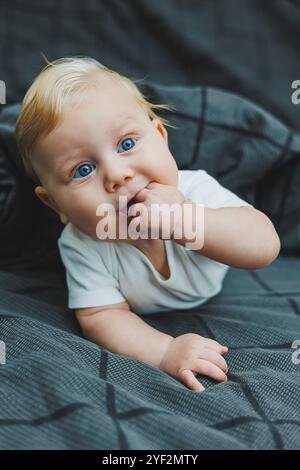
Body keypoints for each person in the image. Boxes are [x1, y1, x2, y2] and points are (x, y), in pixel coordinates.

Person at [15, 56, 281, 392]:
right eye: (83, 170)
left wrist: (188, 221)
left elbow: (264, 244)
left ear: (160, 137)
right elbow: (102, 317)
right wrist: (165, 351)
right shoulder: (81, 244)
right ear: (54, 204)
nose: (117, 174)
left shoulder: (194, 190)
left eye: (126, 144)